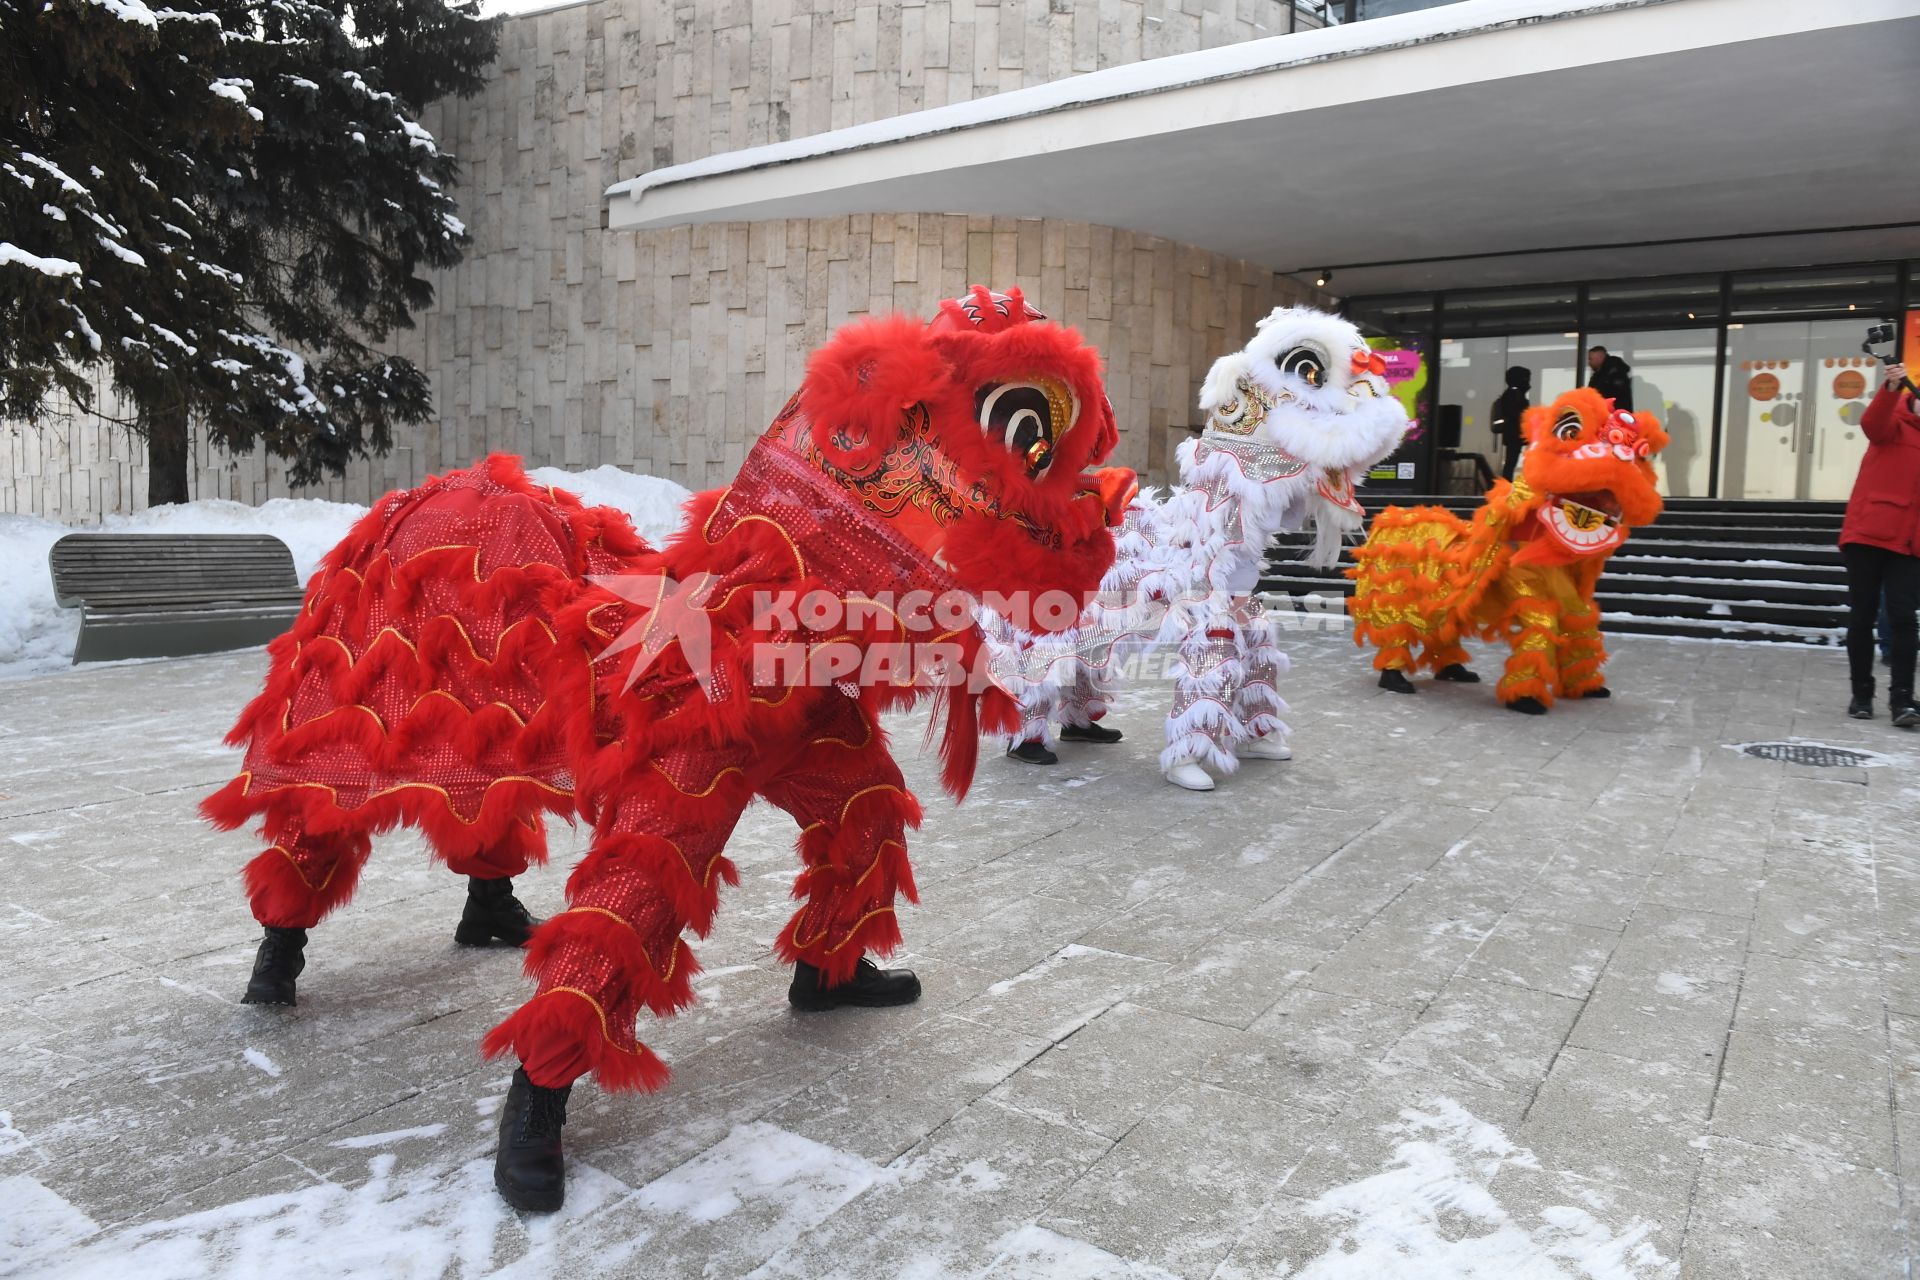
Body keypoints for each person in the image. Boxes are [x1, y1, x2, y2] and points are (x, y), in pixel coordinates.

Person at [1840, 361, 1920, 724]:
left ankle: (1902, 699)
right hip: (1870, 534)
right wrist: (1892, 389)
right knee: (1863, 616)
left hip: (1909, 543)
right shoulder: (1893, 426)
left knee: (1904, 619)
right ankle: (1861, 694)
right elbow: (1871, 423)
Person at [1490, 366, 1531, 481]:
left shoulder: (1512, 393)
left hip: (1514, 435)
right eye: (1526, 379)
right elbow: (1515, 414)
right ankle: (1506, 486)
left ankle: (1507, 485)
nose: (1528, 382)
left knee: (1511, 463)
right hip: (1514, 435)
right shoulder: (1514, 394)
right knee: (1510, 463)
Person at [1586, 346, 1633, 411]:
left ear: (1600, 357)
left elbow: (1617, 393)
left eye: (1591, 359)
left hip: (1616, 414)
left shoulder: (1616, 371)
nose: (1589, 363)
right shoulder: (1598, 375)